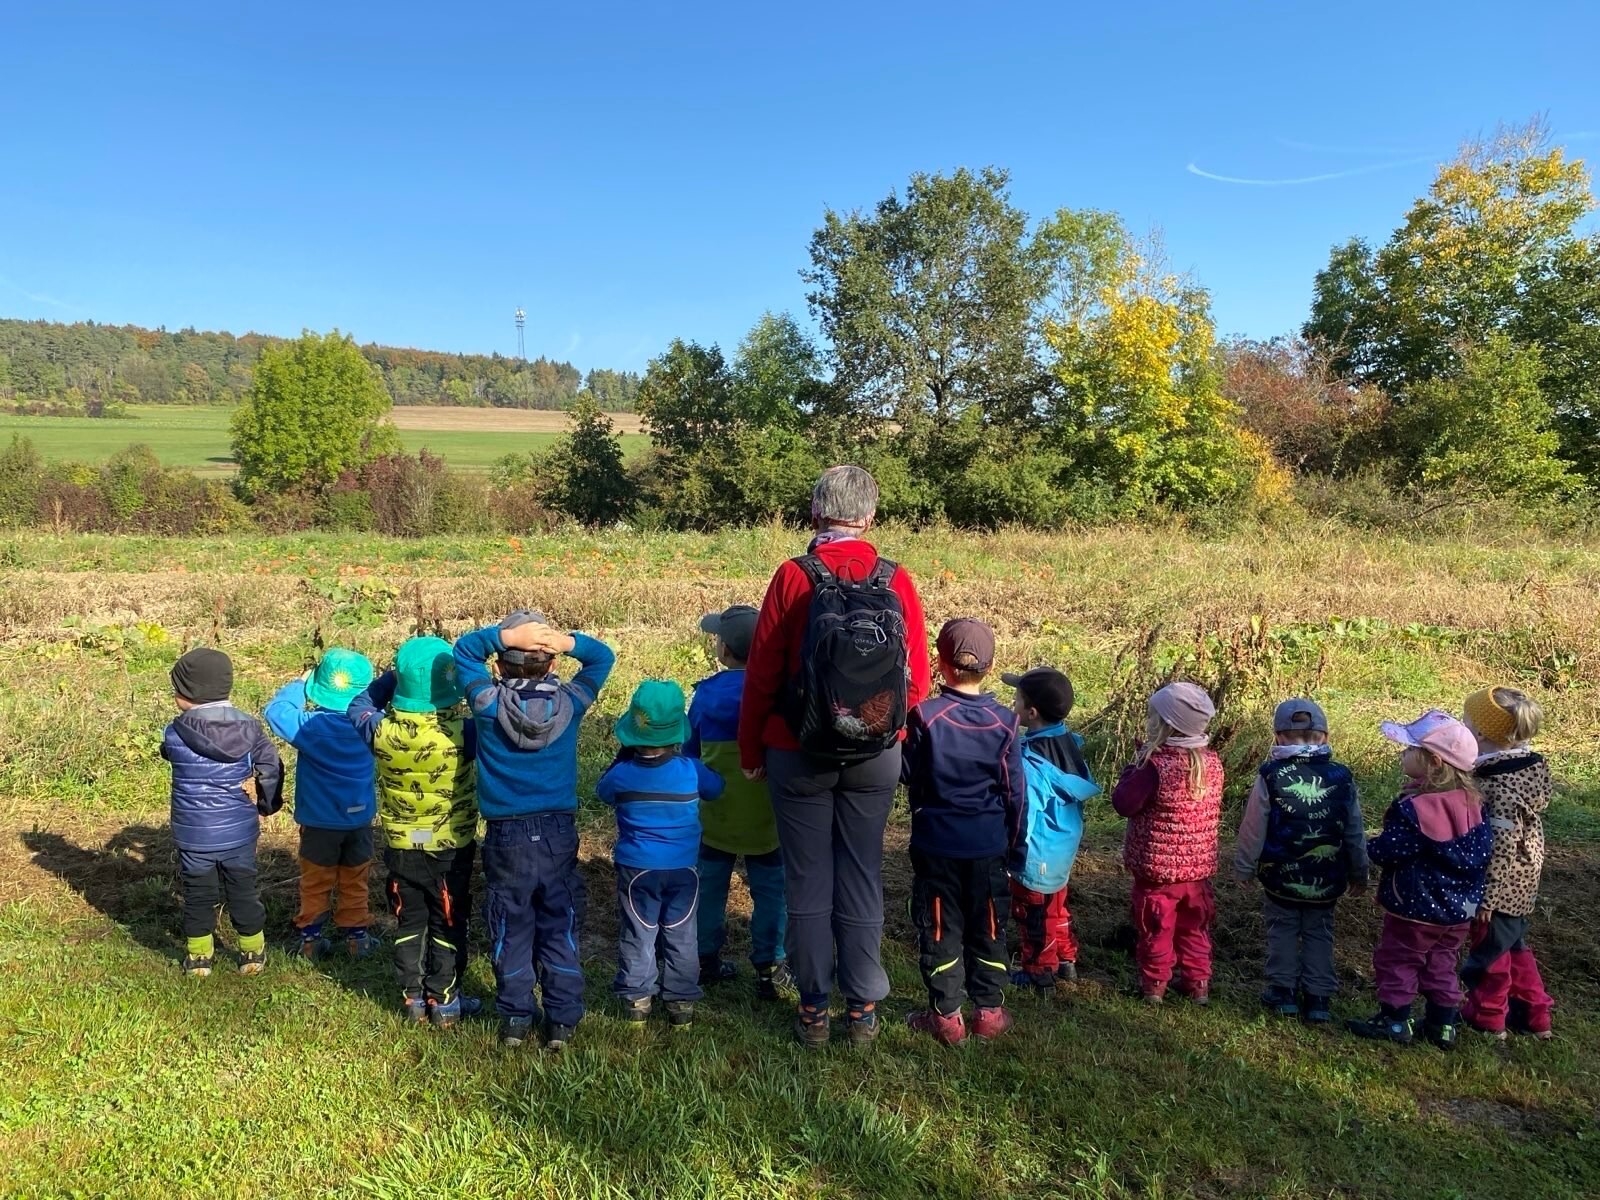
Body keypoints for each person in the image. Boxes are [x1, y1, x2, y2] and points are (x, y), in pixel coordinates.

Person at [739, 465, 932, 1049]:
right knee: (862, 873)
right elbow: (916, 682)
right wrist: (875, 728)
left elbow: (762, 674)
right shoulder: (896, 580)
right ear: (870, 516)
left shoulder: (794, 576)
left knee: (807, 877)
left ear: (817, 512)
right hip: (876, 754)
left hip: (797, 750)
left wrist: (753, 750)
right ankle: (863, 1007)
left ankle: (814, 1007)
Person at [453, 612, 615, 1051]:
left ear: (499, 666)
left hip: (506, 834)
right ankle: (561, 1020)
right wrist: (566, 640)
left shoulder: (487, 705)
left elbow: (464, 650)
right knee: (559, 923)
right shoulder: (570, 703)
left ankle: (515, 1020)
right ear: (553, 665)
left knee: (511, 924)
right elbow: (602, 658)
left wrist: (504, 636)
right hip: (558, 832)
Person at [901, 619, 1027, 1045]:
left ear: (940, 662)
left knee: (939, 927)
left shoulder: (926, 716)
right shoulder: (1007, 722)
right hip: (988, 846)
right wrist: (1015, 847)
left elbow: (909, 774)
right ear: (990, 667)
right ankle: (989, 1011)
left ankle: (946, 1016)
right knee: (990, 926)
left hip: (936, 845)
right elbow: (1015, 794)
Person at [347, 637, 479, 1029]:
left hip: (403, 847)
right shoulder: (466, 733)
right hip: (451, 846)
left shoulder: (381, 731)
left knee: (410, 921)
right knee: (449, 920)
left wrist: (394, 679)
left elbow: (357, 706)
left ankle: (413, 999)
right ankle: (446, 999)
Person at [1347, 710, 1492, 1049]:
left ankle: (1395, 1022)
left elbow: (1389, 851)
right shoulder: (1475, 804)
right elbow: (1482, 852)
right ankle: (1443, 1025)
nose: (1402, 753)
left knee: (1398, 960)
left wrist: (1367, 846)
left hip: (1415, 906)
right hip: (1458, 910)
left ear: (1435, 762)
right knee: (1442, 962)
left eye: (1410, 749)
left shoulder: (1416, 809)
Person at [597, 680, 725, 1031]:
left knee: (639, 931)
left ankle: (638, 998)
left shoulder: (623, 774)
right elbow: (717, 789)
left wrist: (619, 759)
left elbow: (602, 791)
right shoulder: (690, 770)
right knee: (682, 933)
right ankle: (681, 1000)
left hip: (637, 868)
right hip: (684, 867)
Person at [1234, 698, 1368, 1025]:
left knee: (1282, 929)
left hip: (1280, 875)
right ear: (1324, 736)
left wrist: (1245, 866)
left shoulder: (1270, 774)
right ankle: (1319, 997)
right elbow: (1354, 829)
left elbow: (1254, 826)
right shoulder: (1341, 775)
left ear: (1278, 737)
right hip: (1327, 878)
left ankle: (1283, 992)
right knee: (1320, 932)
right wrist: (1359, 871)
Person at [688, 605, 794, 1000]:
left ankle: (704, 958)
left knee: (710, 888)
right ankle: (770, 966)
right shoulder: (777, 693)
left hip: (716, 816)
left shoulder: (706, 695)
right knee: (771, 893)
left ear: (724, 650)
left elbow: (691, 750)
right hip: (767, 819)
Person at [161, 646, 284, 977]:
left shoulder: (174, 733)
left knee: (198, 893)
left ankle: (199, 958)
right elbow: (271, 767)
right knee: (243, 889)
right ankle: (252, 952)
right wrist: (266, 804)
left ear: (187, 694)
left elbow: (166, 752)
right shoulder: (250, 728)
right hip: (239, 831)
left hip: (193, 833)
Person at [1111, 682, 1224, 1005]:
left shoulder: (1154, 767)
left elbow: (1124, 803)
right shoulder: (1211, 764)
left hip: (1156, 872)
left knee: (1155, 928)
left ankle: (1155, 986)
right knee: (1194, 928)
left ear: (1165, 724)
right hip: (1197, 872)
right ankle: (1198, 983)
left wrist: (1133, 769)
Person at [264, 648, 379, 961]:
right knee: (355, 878)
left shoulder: (310, 727)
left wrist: (300, 684)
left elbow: (276, 712)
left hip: (318, 822)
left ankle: (311, 941)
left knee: (315, 881)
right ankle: (357, 938)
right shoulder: (371, 727)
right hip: (358, 821)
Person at [1459, 687, 1555, 1041]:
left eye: (1465, 720)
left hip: (1499, 883)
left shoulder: (1496, 784)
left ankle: (1487, 1017)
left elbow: (1501, 844)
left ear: (1481, 733)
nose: (1462, 724)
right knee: (1514, 947)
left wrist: (1488, 896)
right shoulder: (1528, 769)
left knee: (1489, 952)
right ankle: (1534, 1016)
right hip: (1524, 880)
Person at [1002, 666, 1098, 991]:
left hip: (1037, 854)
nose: (1012, 703)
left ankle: (1038, 972)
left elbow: (1024, 814)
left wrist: (1013, 852)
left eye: (1016, 698)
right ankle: (1066, 960)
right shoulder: (1067, 743)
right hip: (1061, 850)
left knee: (1035, 917)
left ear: (1031, 712)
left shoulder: (1032, 763)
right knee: (1056, 908)